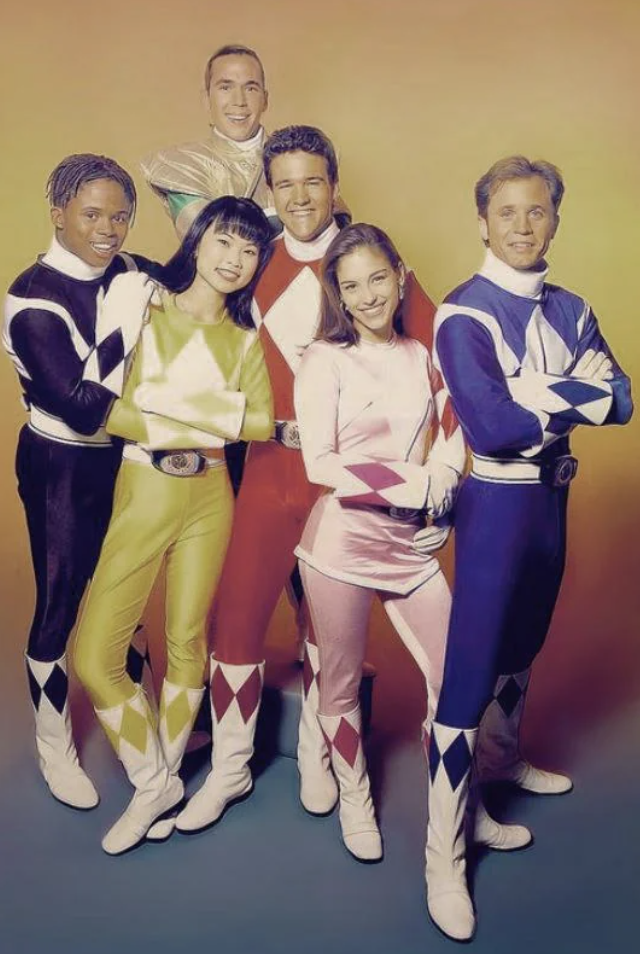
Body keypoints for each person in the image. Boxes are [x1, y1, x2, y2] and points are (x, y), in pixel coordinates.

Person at [175, 127, 468, 837]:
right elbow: (194, 311)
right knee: (237, 616)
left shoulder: (366, 262)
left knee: (326, 634)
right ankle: (231, 767)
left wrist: (444, 479)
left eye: (313, 181)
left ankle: (318, 756)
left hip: (346, 493)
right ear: (268, 190)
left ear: (333, 184)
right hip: (274, 473)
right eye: (285, 183)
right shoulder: (258, 258)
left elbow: (445, 360)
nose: (299, 195)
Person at [426, 156, 633, 941]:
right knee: (469, 672)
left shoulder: (573, 308)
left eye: (536, 211)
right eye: (506, 212)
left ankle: (501, 768)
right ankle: (442, 858)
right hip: (496, 505)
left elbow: (622, 398)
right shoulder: (463, 315)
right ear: (483, 221)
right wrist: (564, 392)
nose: (521, 225)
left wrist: (534, 391)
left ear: (554, 220)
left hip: (553, 500)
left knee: (523, 645)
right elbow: (494, 427)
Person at [73, 197, 274, 855]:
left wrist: (168, 403)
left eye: (249, 250)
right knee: (96, 655)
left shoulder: (245, 338)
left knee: (188, 639)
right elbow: (108, 409)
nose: (233, 259)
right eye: (223, 241)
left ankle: (159, 780)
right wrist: (210, 410)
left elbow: (259, 425)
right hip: (146, 488)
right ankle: (154, 779)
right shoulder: (144, 305)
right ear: (198, 238)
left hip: (212, 495)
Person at [3, 154, 156, 811]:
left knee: (131, 599)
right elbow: (84, 403)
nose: (109, 229)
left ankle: (143, 730)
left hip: (124, 462)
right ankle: (53, 744)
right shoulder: (29, 298)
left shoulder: (127, 271)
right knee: (60, 606)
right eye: (92, 214)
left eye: (121, 215)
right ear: (58, 212)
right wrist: (129, 317)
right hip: (62, 464)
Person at [141, 44, 271, 238]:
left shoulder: (296, 159)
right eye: (225, 87)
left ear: (265, 100)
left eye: (251, 88)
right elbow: (206, 243)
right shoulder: (181, 165)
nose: (239, 101)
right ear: (206, 99)